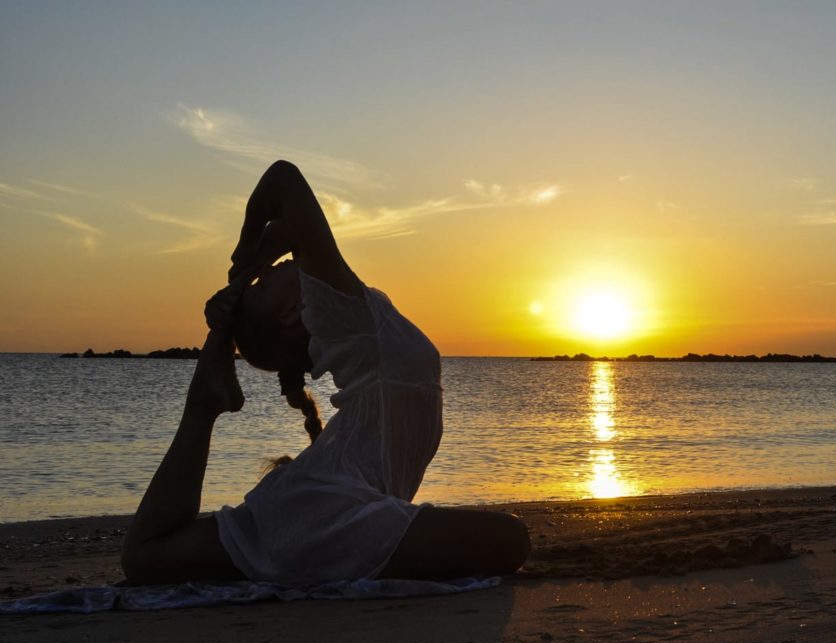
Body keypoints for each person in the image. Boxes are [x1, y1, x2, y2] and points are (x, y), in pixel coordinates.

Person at [121, 160, 530, 585]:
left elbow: (289, 228)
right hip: (331, 511)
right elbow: (283, 178)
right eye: (265, 284)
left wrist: (260, 259)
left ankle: (203, 404)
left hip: (319, 506)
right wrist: (244, 265)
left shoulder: (347, 319)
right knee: (510, 539)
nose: (272, 270)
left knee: (149, 557)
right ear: (293, 311)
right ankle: (202, 403)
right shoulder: (342, 313)